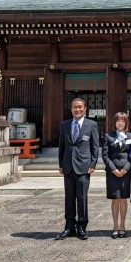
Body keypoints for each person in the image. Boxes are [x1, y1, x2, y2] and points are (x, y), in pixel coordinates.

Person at [56, 98, 99, 240]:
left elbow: (94, 146)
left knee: (81, 197)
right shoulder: (65, 124)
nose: (77, 109)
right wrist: (60, 165)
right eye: (75, 107)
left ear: (85, 108)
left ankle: (82, 226)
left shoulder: (91, 125)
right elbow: (62, 146)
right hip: (68, 166)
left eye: (80, 107)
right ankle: (69, 227)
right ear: (71, 109)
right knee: (69, 198)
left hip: (83, 167)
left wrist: (92, 164)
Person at [102, 112, 131, 239]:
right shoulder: (108, 136)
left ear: (126, 122)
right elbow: (105, 155)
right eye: (118, 120)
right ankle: (115, 226)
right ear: (114, 122)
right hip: (112, 171)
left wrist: (126, 168)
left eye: (123, 120)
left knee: (123, 198)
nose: (121, 123)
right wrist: (113, 169)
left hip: (126, 171)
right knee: (115, 198)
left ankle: (123, 225)